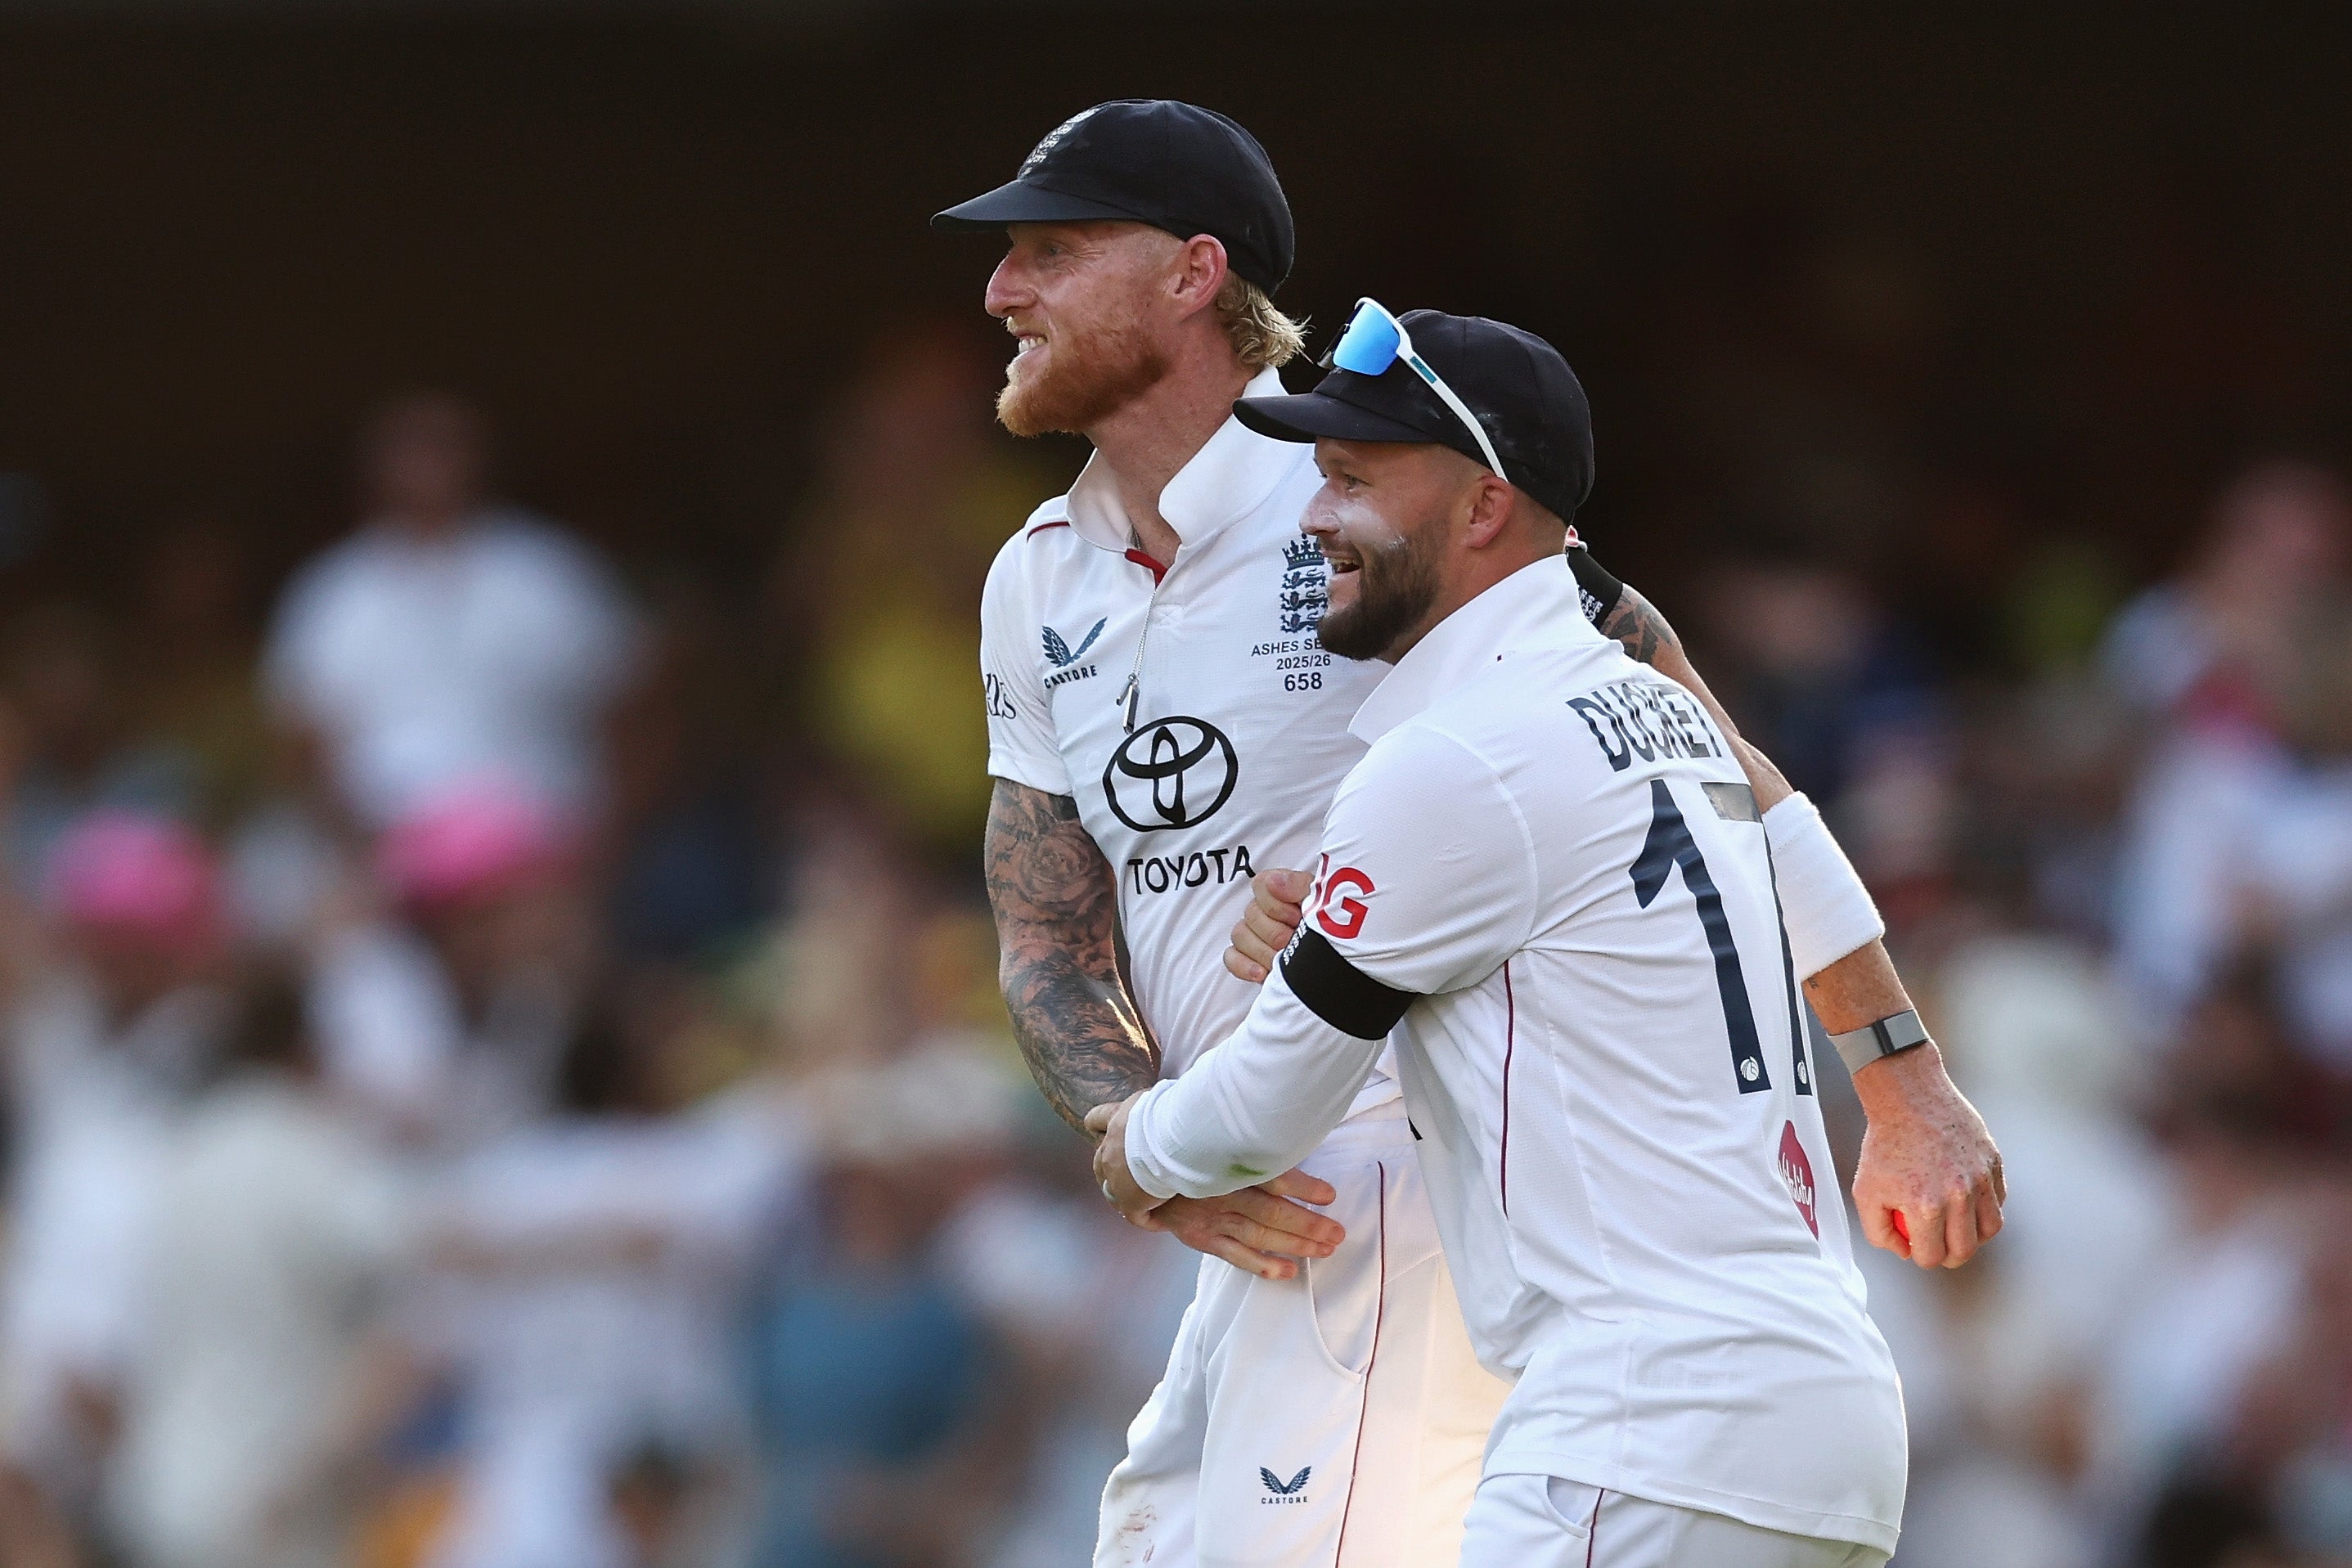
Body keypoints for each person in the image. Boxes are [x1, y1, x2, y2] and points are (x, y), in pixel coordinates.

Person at [939, 103, 1999, 1567]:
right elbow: (1049, 924)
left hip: (1437, 1192)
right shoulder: (1036, 574)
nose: (1003, 291)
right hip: (1251, 1191)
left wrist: (1901, 1070)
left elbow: (1710, 772)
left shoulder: (1381, 490)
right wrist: (1138, 1135)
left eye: (1051, 251)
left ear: (1192, 275)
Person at [1092, 312, 1917, 1566]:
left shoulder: (1451, 757)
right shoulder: (1661, 713)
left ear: (1482, 507)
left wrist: (1134, 1142)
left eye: (1356, 479)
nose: (1314, 517)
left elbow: (1260, 1110)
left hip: (1643, 1426)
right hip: (1819, 1415)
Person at [261, 393, 642, 832]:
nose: (428, 463)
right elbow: (299, 745)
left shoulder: (550, 572)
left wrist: (609, 838)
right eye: (411, 448)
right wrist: (356, 853)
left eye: (444, 446)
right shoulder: (334, 591)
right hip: (380, 849)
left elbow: (629, 709)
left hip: (541, 842)